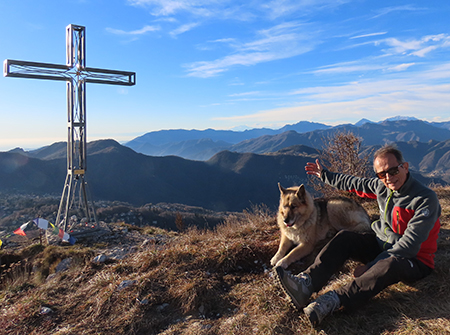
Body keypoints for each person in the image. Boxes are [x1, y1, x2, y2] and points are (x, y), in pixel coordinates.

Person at [274, 144, 441, 326]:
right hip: (383, 245)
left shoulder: (425, 199)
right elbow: (354, 183)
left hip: (414, 260)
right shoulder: (383, 187)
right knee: (345, 237)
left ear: (405, 167)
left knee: (390, 263)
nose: (388, 178)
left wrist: (371, 266)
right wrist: (325, 175)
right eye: (381, 174)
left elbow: (409, 246)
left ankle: (334, 300)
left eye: (393, 171)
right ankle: (306, 284)